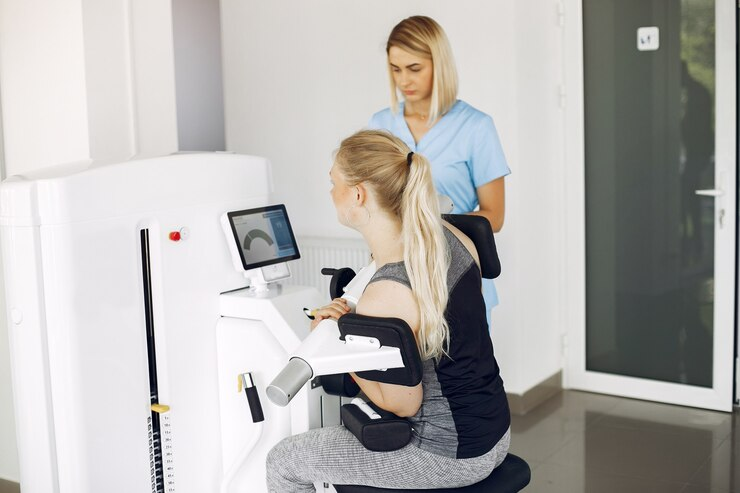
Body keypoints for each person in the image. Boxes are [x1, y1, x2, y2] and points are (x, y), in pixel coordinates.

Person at [265, 130, 511, 492]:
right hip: (494, 432)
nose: (331, 192)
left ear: (359, 194)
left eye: (333, 182)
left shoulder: (387, 293)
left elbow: (401, 405)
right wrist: (353, 315)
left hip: (444, 455)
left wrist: (339, 341)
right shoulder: (451, 235)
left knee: (284, 461)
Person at [368, 15, 510, 328]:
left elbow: (494, 216)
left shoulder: (476, 127)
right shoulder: (380, 125)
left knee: (460, 375)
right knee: (402, 374)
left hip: (456, 273)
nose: (404, 80)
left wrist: (428, 224)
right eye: (395, 69)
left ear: (439, 64)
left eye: (415, 68)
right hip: (395, 276)